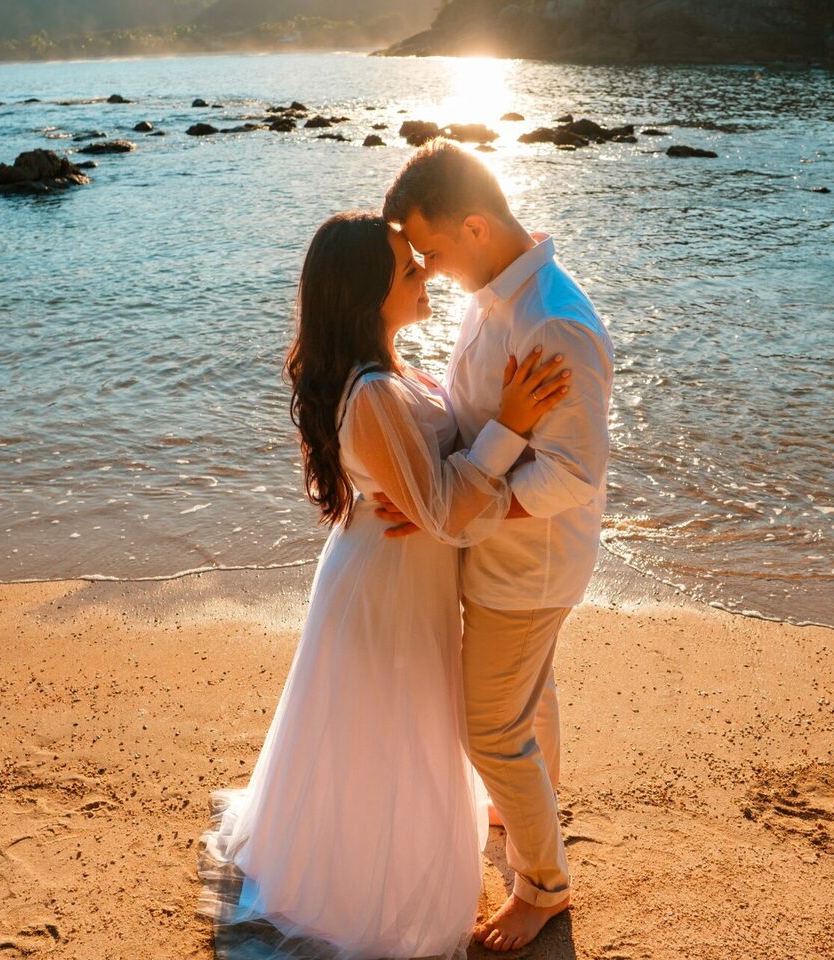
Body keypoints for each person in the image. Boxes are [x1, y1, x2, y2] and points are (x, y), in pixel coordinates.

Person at [195, 210, 572, 959]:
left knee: (403, 722)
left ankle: (508, 820)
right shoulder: (370, 392)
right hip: (386, 584)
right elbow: (443, 509)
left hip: (398, 569)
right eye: (407, 269)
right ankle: (373, 879)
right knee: (390, 731)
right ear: (368, 297)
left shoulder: (389, 370)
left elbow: (434, 494)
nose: (425, 271)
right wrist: (509, 425)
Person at [378, 139, 614, 952]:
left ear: (475, 228)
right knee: (525, 700)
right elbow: (475, 408)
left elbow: (573, 473)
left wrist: (458, 511)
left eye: (433, 251)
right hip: (508, 555)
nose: (429, 270)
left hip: (528, 567)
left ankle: (543, 885)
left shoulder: (554, 322)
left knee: (488, 730)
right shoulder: (493, 294)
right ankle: (525, 807)